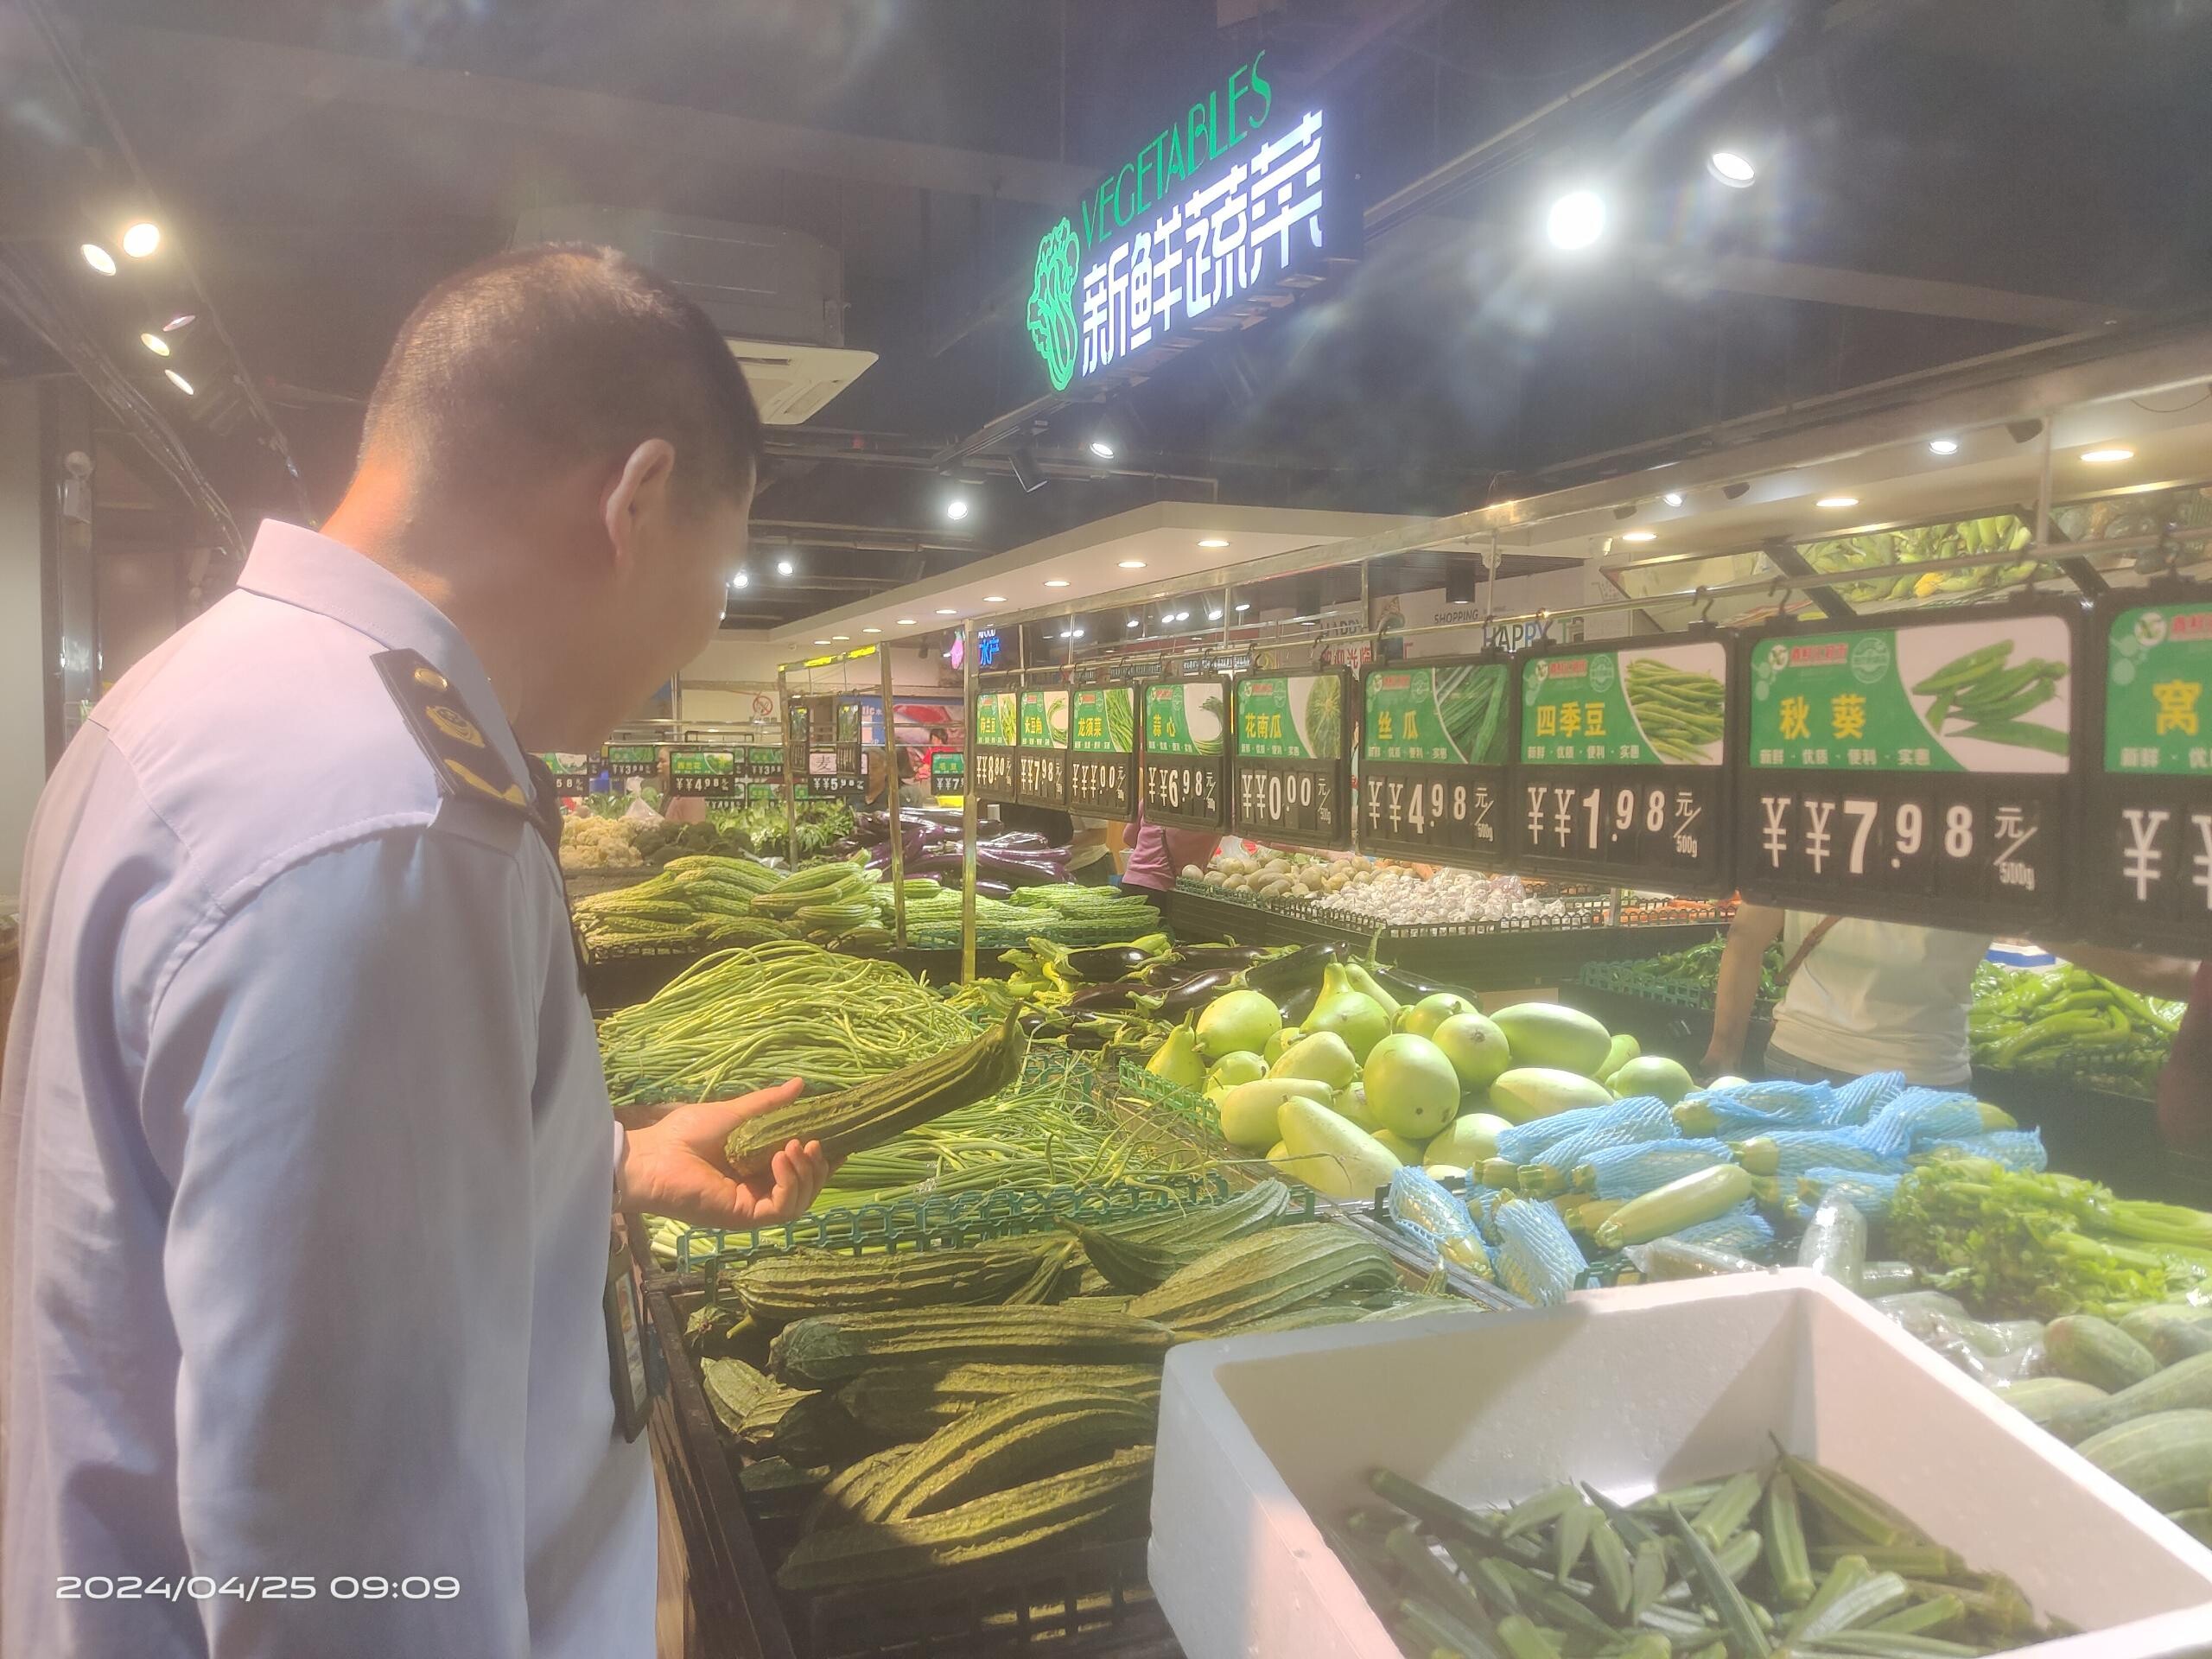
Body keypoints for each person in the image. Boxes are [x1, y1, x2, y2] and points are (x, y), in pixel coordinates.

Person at [1, 246, 832, 1659]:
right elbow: (349, 1557)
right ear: (634, 501)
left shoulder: (206, 702)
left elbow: (263, 1217)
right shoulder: (391, 827)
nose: (702, 630)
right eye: (723, 569)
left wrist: (598, 1161)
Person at [1703, 906, 1992, 1088]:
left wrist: (1723, 1053)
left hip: (1803, 1051)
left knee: (1795, 1169)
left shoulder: (1804, 832)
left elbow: (1745, 935)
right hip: (1923, 1066)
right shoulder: (1977, 835)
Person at [1118, 802, 1220, 894]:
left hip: (1131, 880)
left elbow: (1129, 837)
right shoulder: (1219, 803)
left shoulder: (1155, 791)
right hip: (1166, 890)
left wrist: (1151, 851)